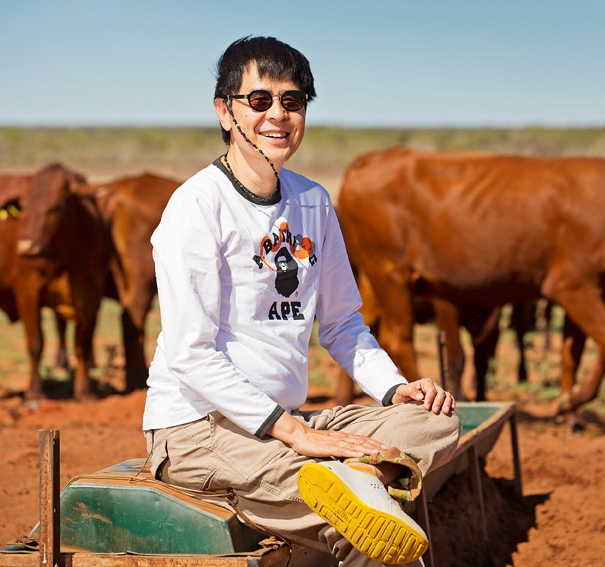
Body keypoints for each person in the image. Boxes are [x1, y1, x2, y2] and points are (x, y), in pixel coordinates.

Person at [142, 35, 461, 566]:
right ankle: (360, 493)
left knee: (436, 421)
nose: (278, 116)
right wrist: (296, 435)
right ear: (225, 111)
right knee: (370, 530)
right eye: (259, 101)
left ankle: (360, 484)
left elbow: (342, 324)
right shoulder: (195, 207)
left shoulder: (312, 200)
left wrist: (394, 389)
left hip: (290, 423)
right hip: (198, 427)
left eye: (293, 102)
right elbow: (190, 354)